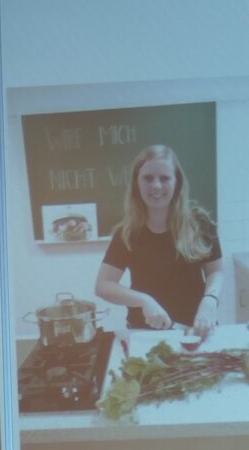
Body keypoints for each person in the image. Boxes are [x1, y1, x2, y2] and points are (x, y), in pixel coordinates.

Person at [95, 144, 229, 337]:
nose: (156, 186)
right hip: (145, 333)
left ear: (177, 183)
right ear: (137, 183)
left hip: (196, 329)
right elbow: (103, 285)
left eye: (165, 178)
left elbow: (215, 271)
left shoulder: (200, 223)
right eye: (148, 178)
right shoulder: (127, 233)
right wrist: (144, 300)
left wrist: (210, 299)